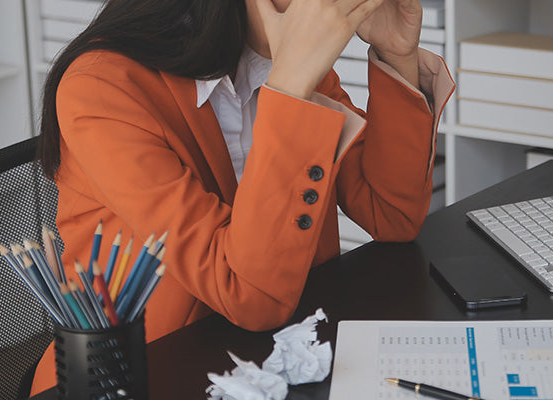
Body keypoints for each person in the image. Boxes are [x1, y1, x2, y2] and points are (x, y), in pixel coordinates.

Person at [30, 0, 453, 394]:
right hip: (148, 375)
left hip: (280, 354)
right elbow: (249, 297)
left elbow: (390, 211)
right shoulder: (102, 88)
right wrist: (289, 89)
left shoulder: (289, 53)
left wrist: (397, 54)